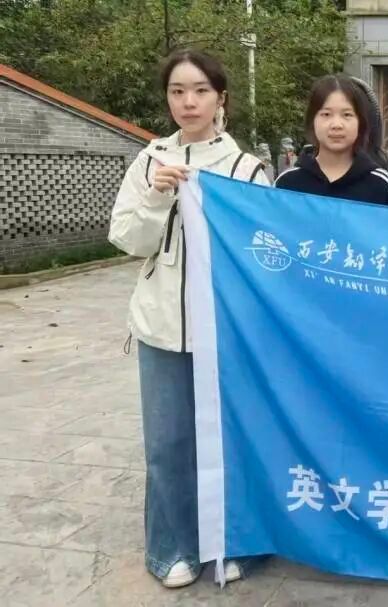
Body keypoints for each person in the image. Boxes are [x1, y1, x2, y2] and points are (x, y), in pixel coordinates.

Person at [108, 48, 269, 589]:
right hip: (161, 329)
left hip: (227, 332)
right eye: (177, 91)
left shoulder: (246, 170)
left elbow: (263, 249)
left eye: (200, 90)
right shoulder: (149, 160)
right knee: (168, 443)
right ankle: (171, 548)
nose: (189, 101)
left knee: (231, 440)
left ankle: (235, 543)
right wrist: (158, 198)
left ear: (221, 97)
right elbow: (127, 240)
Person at [275, 74, 388, 205]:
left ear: (361, 122)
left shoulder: (382, 185)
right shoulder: (287, 184)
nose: (336, 125)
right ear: (312, 121)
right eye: (326, 114)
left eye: (347, 115)